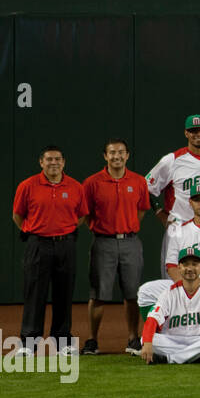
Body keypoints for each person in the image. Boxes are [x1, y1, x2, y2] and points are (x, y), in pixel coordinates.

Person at [137, 176, 200, 334]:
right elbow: (170, 265)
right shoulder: (178, 230)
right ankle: (158, 335)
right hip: (184, 282)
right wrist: (183, 286)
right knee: (146, 291)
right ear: (190, 202)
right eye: (197, 199)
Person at [13, 145, 88, 351]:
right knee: (35, 293)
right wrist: (35, 231)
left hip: (66, 245)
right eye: (49, 159)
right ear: (41, 162)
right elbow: (18, 215)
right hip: (38, 244)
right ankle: (29, 343)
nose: (53, 163)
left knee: (63, 294)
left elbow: (81, 215)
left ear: (63, 162)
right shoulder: (28, 186)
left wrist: (63, 230)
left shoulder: (75, 187)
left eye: (57, 159)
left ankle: (62, 341)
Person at [82, 138, 151, 355]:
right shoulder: (92, 183)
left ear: (127, 155)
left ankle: (132, 338)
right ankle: (93, 340)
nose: (117, 156)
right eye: (112, 153)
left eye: (121, 152)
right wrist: (100, 227)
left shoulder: (138, 181)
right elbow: (85, 213)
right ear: (105, 156)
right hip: (103, 242)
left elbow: (142, 210)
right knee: (98, 294)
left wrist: (127, 227)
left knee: (132, 294)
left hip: (130, 241)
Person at [144, 114, 200, 274]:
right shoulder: (172, 160)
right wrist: (161, 214)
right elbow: (145, 188)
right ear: (186, 133)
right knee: (173, 279)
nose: (198, 134)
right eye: (193, 131)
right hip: (179, 227)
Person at [137, 247, 200, 365]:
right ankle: (195, 356)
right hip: (174, 341)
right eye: (185, 265)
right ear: (179, 267)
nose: (190, 268)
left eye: (194, 264)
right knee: (145, 339)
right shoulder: (169, 292)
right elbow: (152, 319)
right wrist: (148, 344)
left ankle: (170, 359)